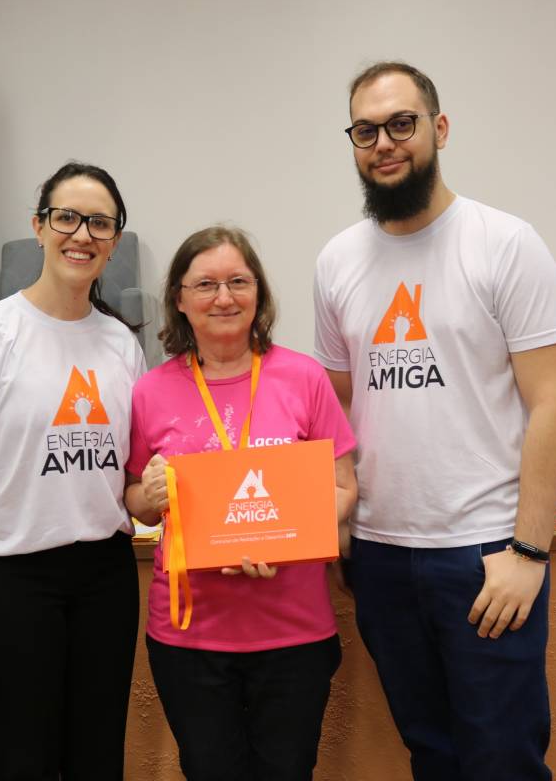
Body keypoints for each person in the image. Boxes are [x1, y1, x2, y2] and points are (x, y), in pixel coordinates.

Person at [313, 61, 556, 780]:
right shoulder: (337, 262)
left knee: (503, 761)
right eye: (365, 130)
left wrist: (529, 552)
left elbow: (554, 402)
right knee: (431, 756)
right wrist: (343, 528)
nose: (384, 143)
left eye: (401, 124)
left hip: (486, 553)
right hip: (381, 556)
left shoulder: (505, 243)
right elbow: (336, 408)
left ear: (440, 128)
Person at [0, 162, 146, 780]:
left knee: (98, 758)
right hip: (12, 579)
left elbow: (130, 476)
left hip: (105, 577)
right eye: (67, 218)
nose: (82, 235)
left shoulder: (122, 344)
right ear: (39, 227)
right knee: (24, 759)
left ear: (114, 240)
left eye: (99, 224)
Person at [126, 225, 357, 781]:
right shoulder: (149, 391)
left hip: (294, 629)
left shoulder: (304, 378)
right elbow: (135, 500)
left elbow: (343, 487)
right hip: (190, 635)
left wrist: (284, 537)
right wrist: (148, 496)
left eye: (238, 281)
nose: (224, 297)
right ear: (180, 299)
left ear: (259, 293)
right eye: (205, 284)